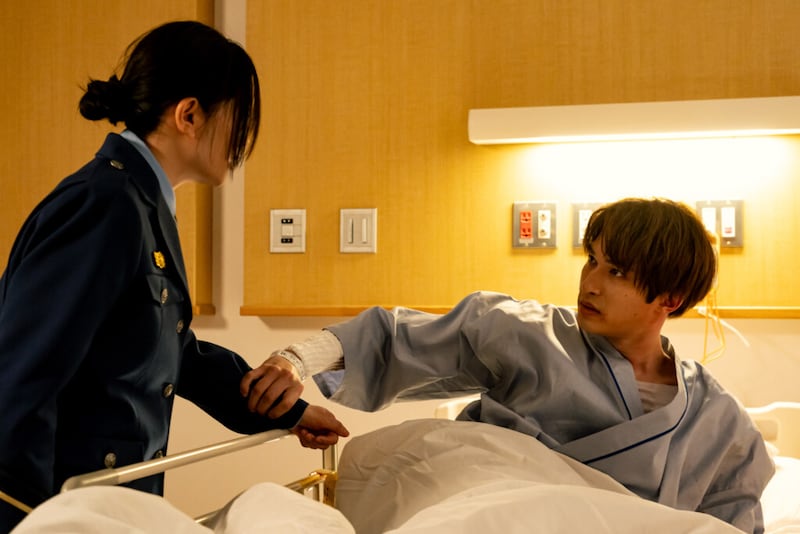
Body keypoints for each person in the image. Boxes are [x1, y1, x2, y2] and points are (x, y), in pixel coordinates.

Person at [244, 198, 774, 534]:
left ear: (670, 299)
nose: (590, 283)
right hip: (493, 509)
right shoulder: (529, 334)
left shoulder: (717, 420)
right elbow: (397, 337)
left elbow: (732, 517)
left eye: (616, 272)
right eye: (592, 260)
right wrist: (297, 360)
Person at [0, 20, 348, 532]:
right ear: (189, 115)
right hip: (68, 512)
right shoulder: (105, 205)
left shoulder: (140, 205)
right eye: (238, 118)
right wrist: (27, 523)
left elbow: (174, 352)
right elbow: (22, 380)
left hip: (111, 505)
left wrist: (287, 412)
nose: (244, 139)